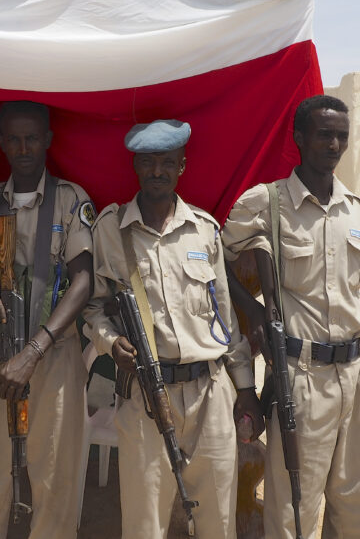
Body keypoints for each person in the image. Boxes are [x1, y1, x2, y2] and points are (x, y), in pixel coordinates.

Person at [83, 119, 263, 539]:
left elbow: (225, 320)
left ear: (182, 166)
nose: (157, 171)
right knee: (144, 522)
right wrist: (110, 343)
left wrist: (245, 390)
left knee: (217, 520)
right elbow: (94, 308)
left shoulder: (204, 229)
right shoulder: (111, 230)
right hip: (145, 395)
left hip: (209, 393)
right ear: (136, 166)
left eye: (167, 162)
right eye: (148, 162)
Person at [222, 95, 360, 539]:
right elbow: (215, 259)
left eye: (341, 136)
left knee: (359, 502)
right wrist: (251, 307)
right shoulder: (267, 202)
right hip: (304, 377)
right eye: (324, 134)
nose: (334, 145)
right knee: (295, 508)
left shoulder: (355, 209)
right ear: (299, 138)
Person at [0, 101, 95, 539]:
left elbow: (83, 281)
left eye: (32, 138)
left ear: (48, 140)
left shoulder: (71, 200)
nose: (24, 148)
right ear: (2, 143)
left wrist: (33, 351)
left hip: (53, 353)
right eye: (14, 139)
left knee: (55, 473)